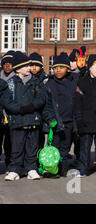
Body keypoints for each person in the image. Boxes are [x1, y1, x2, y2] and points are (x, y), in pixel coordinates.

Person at [5, 52, 54, 181]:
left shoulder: (37, 82)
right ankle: (14, 169)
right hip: (17, 121)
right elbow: (7, 102)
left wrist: (32, 106)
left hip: (33, 119)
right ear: (18, 67)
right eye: (26, 65)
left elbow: (42, 98)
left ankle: (31, 169)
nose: (29, 68)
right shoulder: (10, 84)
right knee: (17, 147)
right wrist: (20, 109)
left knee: (32, 147)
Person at [47, 52, 79, 177]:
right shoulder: (49, 83)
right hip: (56, 121)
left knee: (65, 147)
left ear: (67, 68)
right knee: (54, 146)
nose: (58, 70)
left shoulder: (74, 81)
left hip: (69, 121)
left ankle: (62, 167)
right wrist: (50, 119)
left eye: (61, 67)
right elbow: (47, 104)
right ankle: (51, 168)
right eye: (55, 68)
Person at [0, 50, 15, 170]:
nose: (7, 65)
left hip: (11, 114)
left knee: (10, 141)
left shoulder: (16, 78)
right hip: (1, 114)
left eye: (10, 63)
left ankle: (10, 163)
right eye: (5, 63)